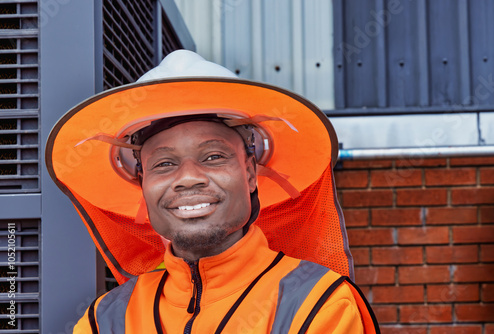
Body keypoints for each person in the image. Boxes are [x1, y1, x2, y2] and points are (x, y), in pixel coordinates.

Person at [46, 50, 379, 333]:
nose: (189, 178)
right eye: (164, 164)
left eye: (213, 156)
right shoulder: (106, 320)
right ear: (142, 184)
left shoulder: (318, 304)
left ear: (249, 174)